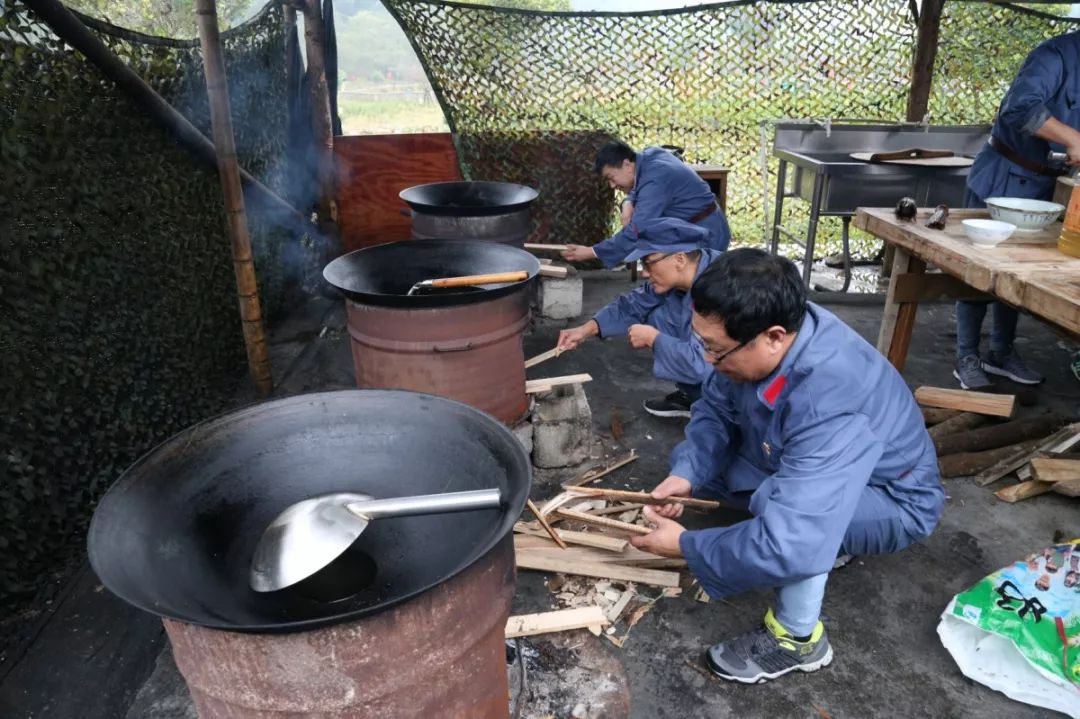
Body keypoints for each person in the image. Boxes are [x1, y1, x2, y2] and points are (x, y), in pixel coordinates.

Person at [629, 248, 945, 684]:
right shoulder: (755, 328)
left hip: (894, 498)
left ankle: (797, 640)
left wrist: (686, 548)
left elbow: (790, 538)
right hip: (806, 462)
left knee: (781, 512)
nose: (707, 360)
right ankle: (830, 538)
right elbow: (715, 412)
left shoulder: (828, 395)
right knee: (711, 473)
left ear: (774, 337)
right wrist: (687, 473)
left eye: (715, 351)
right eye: (703, 344)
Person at [953, 34, 1080, 389]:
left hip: (1051, 188)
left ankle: (1000, 352)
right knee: (980, 270)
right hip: (1007, 176)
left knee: (1019, 277)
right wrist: (1072, 137)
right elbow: (1020, 107)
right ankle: (966, 355)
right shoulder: (1056, 55)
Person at [557, 218, 716, 418]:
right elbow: (631, 305)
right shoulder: (678, 278)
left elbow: (703, 364)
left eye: (649, 263)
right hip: (709, 366)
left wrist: (653, 339)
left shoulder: (720, 288)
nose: (644, 273)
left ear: (680, 259)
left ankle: (716, 410)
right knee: (656, 313)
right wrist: (585, 330)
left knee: (660, 325)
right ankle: (693, 397)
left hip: (743, 389)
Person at [561, 141, 731, 267]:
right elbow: (639, 183)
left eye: (611, 178)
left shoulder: (655, 181)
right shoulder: (649, 155)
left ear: (627, 164)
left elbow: (636, 229)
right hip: (694, 225)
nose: (612, 185)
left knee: (698, 288)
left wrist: (591, 252)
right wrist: (628, 201)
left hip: (707, 233)